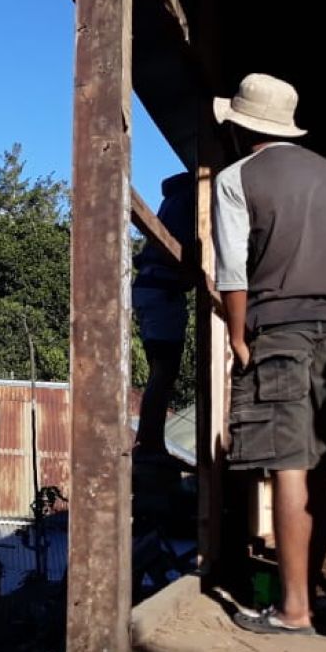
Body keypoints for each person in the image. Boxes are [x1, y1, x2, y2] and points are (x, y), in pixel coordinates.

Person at [212, 73, 326, 635]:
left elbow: (231, 269)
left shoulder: (236, 178)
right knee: (320, 464)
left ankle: (293, 609)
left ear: (240, 126)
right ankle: (310, 591)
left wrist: (236, 335)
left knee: (288, 464)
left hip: (280, 327)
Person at [132, 171, 195, 464]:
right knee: (164, 370)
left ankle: (150, 441)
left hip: (152, 289)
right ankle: (149, 443)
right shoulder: (189, 201)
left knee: (162, 368)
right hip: (163, 290)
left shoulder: (173, 201)